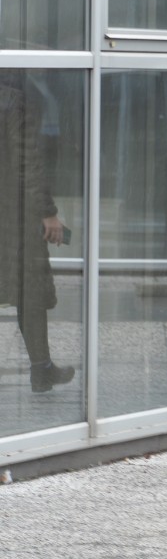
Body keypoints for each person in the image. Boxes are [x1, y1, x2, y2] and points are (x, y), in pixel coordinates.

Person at [0, 73, 75, 393]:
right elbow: (26, 161)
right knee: (29, 290)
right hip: (12, 215)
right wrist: (48, 212)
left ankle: (43, 369)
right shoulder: (13, 100)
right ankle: (41, 369)